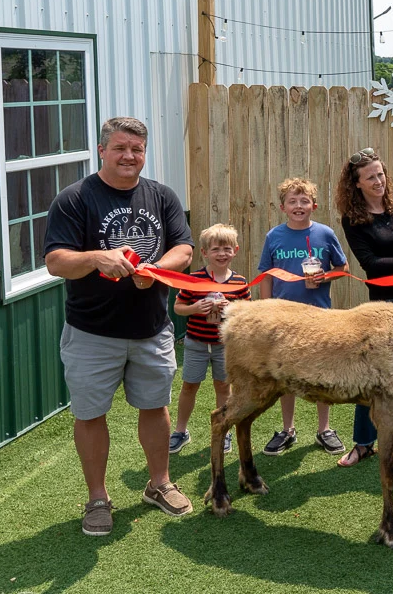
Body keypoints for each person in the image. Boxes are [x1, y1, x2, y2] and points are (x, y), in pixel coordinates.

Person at [43, 116, 196, 536]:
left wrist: (158, 271)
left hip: (151, 328)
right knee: (91, 414)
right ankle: (97, 498)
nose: (129, 156)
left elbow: (184, 246)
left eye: (137, 149)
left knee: (154, 406)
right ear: (102, 150)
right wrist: (96, 258)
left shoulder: (161, 196)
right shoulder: (74, 199)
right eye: (121, 148)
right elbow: (56, 261)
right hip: (92, 333)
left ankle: (159, 483)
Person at [335, 147, 393, 466]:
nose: (378, 181)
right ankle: (364, 442)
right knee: (375, 374)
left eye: (381, 174)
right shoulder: (353, 219)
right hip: (384, 304)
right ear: (356, 184)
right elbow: (371, 265)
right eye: (370, 177)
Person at [257, 177, 349, 457]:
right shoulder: (274, 236)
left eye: (304, 201)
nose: (299, 206)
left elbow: (342, 267)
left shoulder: (325, 234)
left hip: (319, 315)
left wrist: (324, 277)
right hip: (284, 318)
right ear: (283, 207)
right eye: (292, 201)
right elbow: (266, 274)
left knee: (323, 373)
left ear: (314, 205)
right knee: (286, 377)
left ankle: (324, 429)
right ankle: (288, 429)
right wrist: (266, 310)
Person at [170, 223, 251, 455]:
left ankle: (222, 431)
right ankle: (180, 431)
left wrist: (232, 308)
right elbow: (178, 307)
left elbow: (248, 312)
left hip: (225, 347)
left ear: (235, 250)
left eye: (227, 249)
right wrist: (196, 307)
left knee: (223, 388)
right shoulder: (194, 279)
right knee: (189, 386)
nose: (222, 254)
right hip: (196, 343)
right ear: (204, 252)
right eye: (215, 249)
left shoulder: (240, 282)